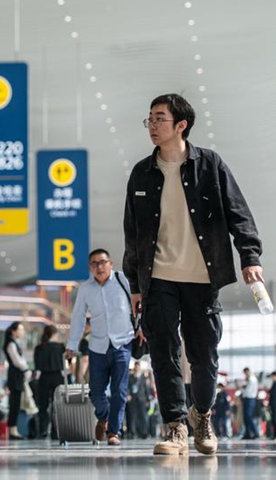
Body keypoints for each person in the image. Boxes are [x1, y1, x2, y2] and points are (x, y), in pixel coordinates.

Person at [123, 93, 265, 456]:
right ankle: (174, 428)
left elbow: (238, 213)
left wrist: (250, 256)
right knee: (163, 351)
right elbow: (133, 232)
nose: (152, 126)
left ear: (181, 125)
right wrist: (135, 284)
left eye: (159, 119)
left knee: (204, 356)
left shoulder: (210, 165)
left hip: (203, 276)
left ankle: (201, 416)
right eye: (150, 119)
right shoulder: (142, 172)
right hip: (159, 278)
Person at [66, 248, 140, 446]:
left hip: (123, 343)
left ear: (111, 263)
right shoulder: (85, 289)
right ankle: (103, 417)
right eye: (94, 264)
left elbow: (139, 305)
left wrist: (141, 328)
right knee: (96, 392)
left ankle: (113, 432)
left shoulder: (124, 281)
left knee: (120, 391)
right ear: (90, 268)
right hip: (97, 345)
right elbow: (78, 317)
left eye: (102, 262)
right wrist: (71, 344)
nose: (99, 267)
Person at [33, 325, 66, 439]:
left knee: (43, 405)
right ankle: (55, 432)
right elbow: (66, 363)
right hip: (58, 377)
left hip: (44, 377)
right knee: (57, 405)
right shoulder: (61, 347)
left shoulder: (39, 348)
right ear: (55, 334)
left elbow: (37, 366)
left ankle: (42, 430)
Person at [2, 322, 29, 439]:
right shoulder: (10, 344)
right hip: (15, 376)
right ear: (13, 331)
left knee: (16, 403)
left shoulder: (15, 343)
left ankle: (14, 428)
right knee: (14, 403)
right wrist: (26, 369)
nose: (22, 332)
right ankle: (12, 430)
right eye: (20, 329)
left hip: (17, 375)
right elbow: (17, 360)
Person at [127, 361, 151, 439]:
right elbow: (127, 387)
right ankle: (132, 433)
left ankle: (143, 432)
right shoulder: (130, 377)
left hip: (141, 398)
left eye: (138, 367)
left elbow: (146, 388)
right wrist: (128, 395)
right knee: (132, 416)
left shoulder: (143, 377)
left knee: (143, 416)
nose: (137, 368)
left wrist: (148, 399)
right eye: (136, 366)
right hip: (133, 399)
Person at [241, 367, 260, 439]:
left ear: (248, 371)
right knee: (246, 417)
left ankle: (255, 433)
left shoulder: (252, 379)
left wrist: (242, 388)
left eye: (245, 373)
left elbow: (248, 391)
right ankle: (247, 433)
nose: (245, 375)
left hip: (250, 399)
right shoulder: (250, 379)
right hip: (248, 399)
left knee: (248, 417)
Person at [269, 372, 276, 439]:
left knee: (275, 419)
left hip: (274, 405)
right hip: (273, 405)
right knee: (273, 419)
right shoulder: (273, 383)